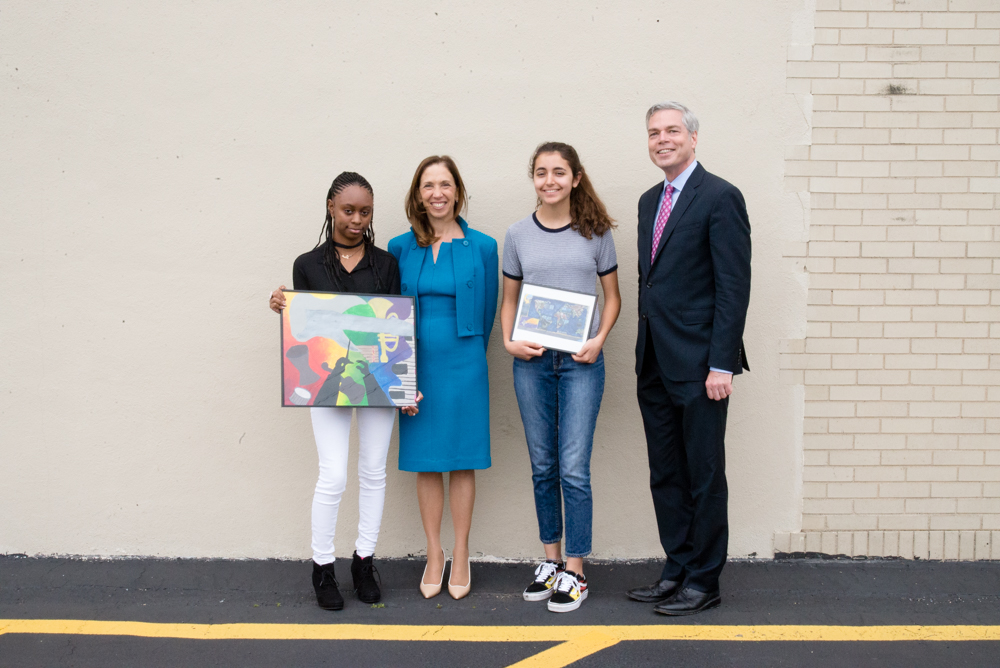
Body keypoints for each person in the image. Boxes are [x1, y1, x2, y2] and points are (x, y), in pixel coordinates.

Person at [269, 171, 418, 611]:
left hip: (376, 381)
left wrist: (405, 384)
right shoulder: (307, 264)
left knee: (373, 471)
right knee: (333, 475)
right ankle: (322, 567)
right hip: (327, 382)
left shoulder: (386, 263)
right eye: (348, 209)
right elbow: (304, 330)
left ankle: (364, 560)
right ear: (331, 208)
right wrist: (281, 305)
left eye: (365, 211)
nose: (357, 219)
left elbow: (395, 329)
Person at [627, 102, 751, 616]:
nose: (662, 139)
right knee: (666, 472)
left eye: (672, 131)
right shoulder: (648, 200)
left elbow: (733, 286)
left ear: (693, 138)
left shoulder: (721, 197)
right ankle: (676, 567)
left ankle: (705, 579)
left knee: (703, 473)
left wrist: (722, 363)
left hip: (701, 366)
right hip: (654, 360)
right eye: (654, 133)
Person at [500, 142, 621, 613]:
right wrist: (510, 341)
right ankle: (550, 561)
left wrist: (599, 339)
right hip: (531, 363)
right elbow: (509, 300)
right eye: (540, 172)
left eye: (558, 172)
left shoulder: (596, 233)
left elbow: (612, 297)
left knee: (573, 467)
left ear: (575, 177)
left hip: (581, 363)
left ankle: (576, 571)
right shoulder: (516, 235)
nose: (549, 180)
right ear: (533, 178)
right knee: (543, 465)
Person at [387, 156, 498, 600]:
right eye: (428, 185)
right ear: (418, 194)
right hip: (413, 363)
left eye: (445, 184)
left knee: (463, 457)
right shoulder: (399, 246)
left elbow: (489, 313)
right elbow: (384, 308)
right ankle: (434, 552)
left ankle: (462, 551)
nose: (437, 193)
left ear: (458, 191)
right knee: (426, 460)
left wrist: (471, 354)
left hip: (465, 361)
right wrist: (398, 372)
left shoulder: (484, 246)